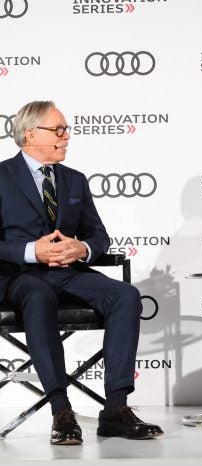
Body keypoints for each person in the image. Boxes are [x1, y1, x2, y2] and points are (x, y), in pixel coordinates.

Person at [1, 100, 163, 445]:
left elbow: (98, 236)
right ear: (30, 134)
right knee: (39, 296)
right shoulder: (1, 176)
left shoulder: (74, 180)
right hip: (17, 277)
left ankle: (116, 409)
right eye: (58, 130)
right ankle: (61, 411)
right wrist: (31, 251)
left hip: (69, 273)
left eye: (66, 129)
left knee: (125, 295)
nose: (66, 136)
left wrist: (82, 248)